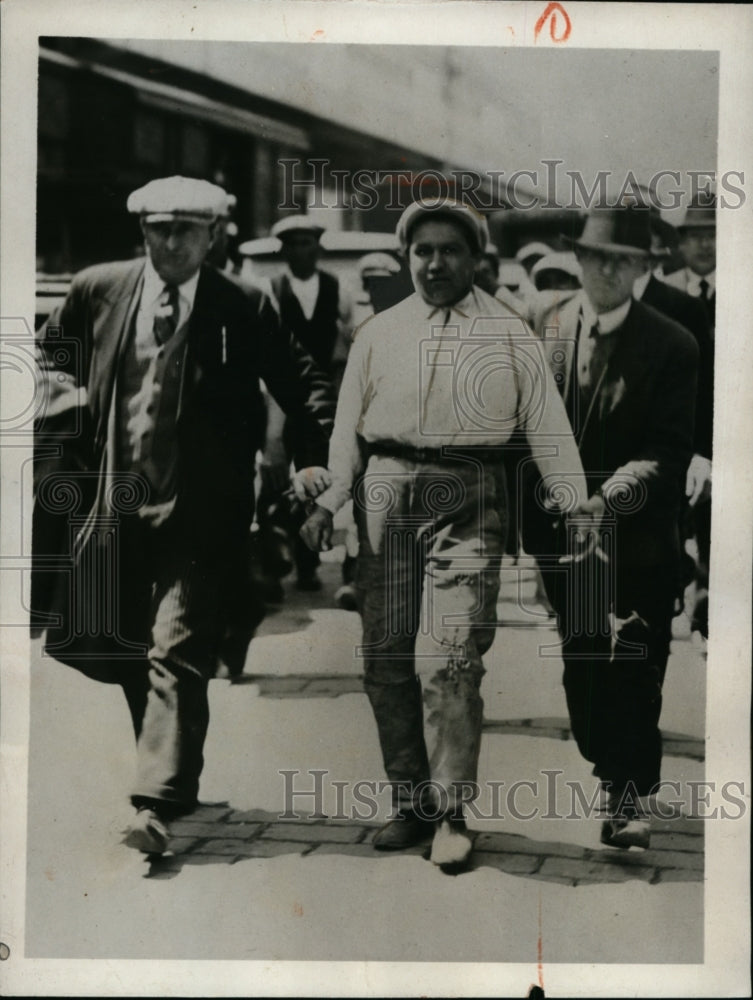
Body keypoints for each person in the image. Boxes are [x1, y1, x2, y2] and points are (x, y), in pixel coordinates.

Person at [33, 176, 335, 855]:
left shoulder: (244, 304)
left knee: (177, 645)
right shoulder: (98, 289)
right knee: (126, 644)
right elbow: (55, 362)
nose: (172, 243)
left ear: (214, 235)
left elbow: (301, 380)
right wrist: (65, 432)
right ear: (141, 231)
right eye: (160, 229)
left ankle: (154, 799)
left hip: (202, 511)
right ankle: (175, 777)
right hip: (115, 502)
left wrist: (315, 458)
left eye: (187, 230)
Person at [299, 198, 590, 870]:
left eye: (448, 250)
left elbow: (546, 425)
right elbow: (346, 430)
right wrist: (327, 501)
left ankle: (452, 810)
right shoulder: (379, 333)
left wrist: (573, 502)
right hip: (386, 492)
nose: (434, 263)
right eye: (421, 251)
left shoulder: (509, 331)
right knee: (385, 655)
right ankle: (411, 802)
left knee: (452, 654)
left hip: (470, 492)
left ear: (476, 259)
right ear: (408, 259)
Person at [526, 204, 699, 849]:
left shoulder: (673, 344)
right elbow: (524, 431)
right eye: (596, 256)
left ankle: (626, 795)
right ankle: (609, 763)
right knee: (584, 664)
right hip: (563, 540)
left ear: (642, 269)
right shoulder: (539, 324)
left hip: (638, 537)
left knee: (633, 660)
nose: (606, 269)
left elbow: (668, 448)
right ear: (577, 257)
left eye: (622, 260)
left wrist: (610, 498)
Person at [265, 215, 353, 592]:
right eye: (293, 243)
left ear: (318, 247)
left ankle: (307, 562)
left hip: (324, 401)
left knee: (318, 475)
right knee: (276, 477)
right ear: (283, 250)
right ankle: (271, 562)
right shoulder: (270, 289)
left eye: (307, 242)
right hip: (281, 400)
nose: (300, 250)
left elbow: (347, 345)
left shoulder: (338, 289)